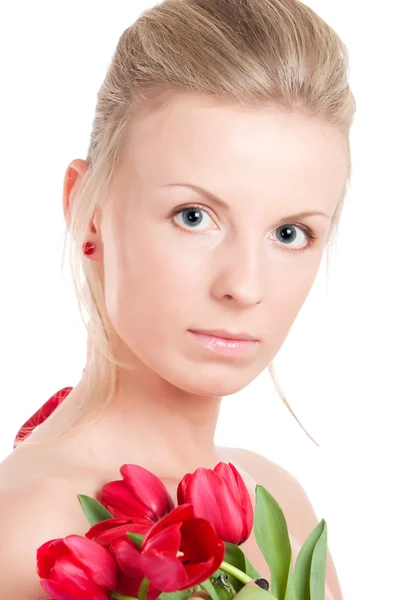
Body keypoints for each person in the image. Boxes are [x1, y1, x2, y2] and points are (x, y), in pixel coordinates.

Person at [0, 0, 355, 598]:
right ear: (88, 211)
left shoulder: (283, 503)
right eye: (194, 216)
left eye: (290, 233)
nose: (244, 286)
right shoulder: (27, 532)